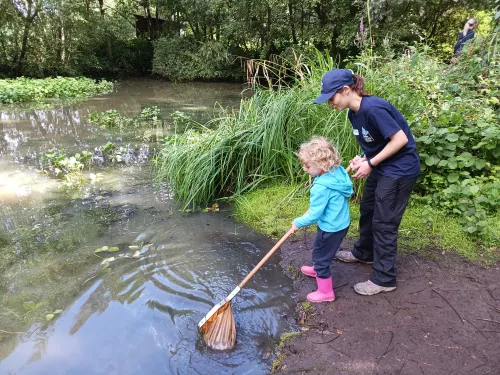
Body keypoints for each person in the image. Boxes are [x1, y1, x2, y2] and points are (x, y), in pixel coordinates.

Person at [313, 69, 420, 296]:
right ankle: (365, 253)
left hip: (400, 170)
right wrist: (364, 157)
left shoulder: (373, 108)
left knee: (384, 222)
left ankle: (384, 278)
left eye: (331, 98)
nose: (330, 103)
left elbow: (400, 140)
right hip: (383, 165)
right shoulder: (354, 113)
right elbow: (378, 142)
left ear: (345, 90)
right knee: (368, 209)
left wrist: (370, 163)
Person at [290, 136, 353, 303]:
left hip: (330, 227)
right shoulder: (338, 171)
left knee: (321, 257)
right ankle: (317, 269)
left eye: (308, 165)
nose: (305, 169)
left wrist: (298, 222)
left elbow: (314, 215)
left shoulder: (320, 187)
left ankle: (326, 292)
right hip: (341, 223)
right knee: (321, 248)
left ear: (322, 164)